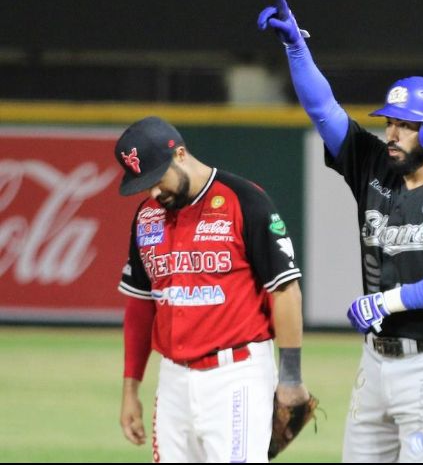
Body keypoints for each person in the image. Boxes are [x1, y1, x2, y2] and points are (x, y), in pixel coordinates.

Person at [259, 0, 423, 463]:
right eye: (390, 121)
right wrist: (297, 50)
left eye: (406, 125)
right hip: (375, 362)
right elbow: (323, 110)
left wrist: (388, 301)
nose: (392, 132)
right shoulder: (374, 166)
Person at [115, 116, 309, 462]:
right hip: (173, 378)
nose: (154, 192)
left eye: (157, 179)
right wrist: (130, 389)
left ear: (180, 154)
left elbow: (285, 290)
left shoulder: (244, 200)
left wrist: (290, 376)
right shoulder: (146, 216)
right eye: (144, 185)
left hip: (236, 375)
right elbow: (141, 305)